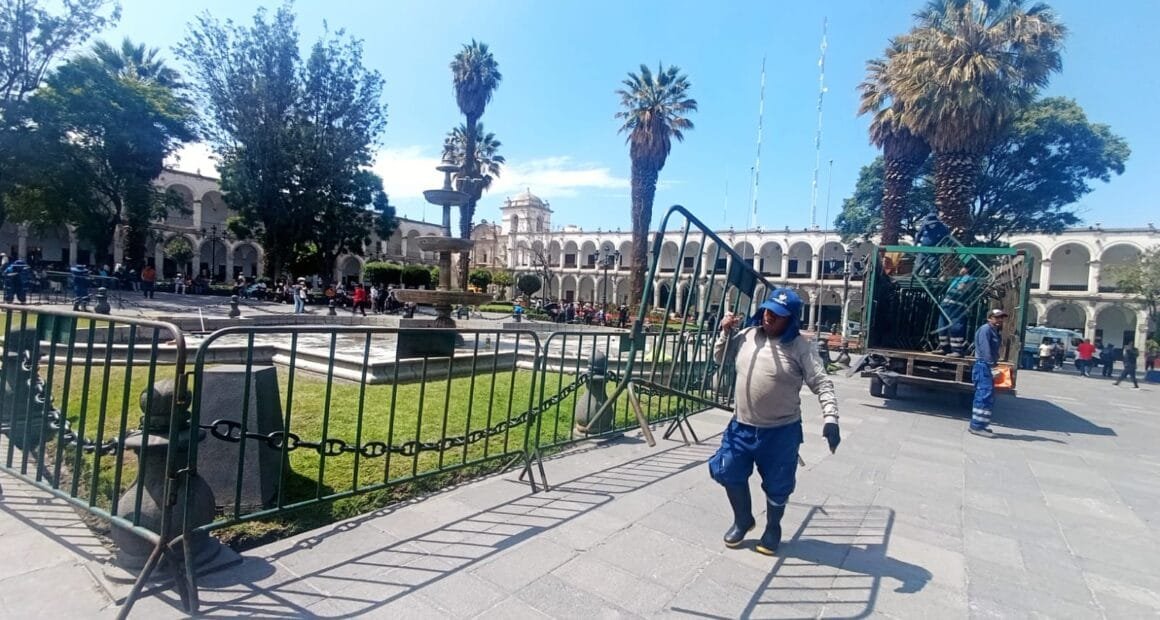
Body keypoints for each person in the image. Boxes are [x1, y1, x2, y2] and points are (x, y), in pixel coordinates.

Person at [710, 288, 840, 556]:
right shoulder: (747, 336)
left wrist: (831, 418)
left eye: (778, 314)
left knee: (778, 484)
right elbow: (719, 358)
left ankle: (773, 528)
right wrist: (724, 332)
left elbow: (822, 382)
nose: (769, 317)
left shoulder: (800, 347)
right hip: (742, 426)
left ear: (790, 319)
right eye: (768, 310)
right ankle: (743, 519)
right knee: (728, 469)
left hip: (780, 431)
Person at [970, 309, 1007, 438]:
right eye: (997, 318)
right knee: (983, 395)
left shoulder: (993, 330)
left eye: (1001, 318)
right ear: (989, 318)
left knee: (988, 396)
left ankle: (982, 425)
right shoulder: (986, 329)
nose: (1000, 320)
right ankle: (976, 426)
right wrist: (992, 367)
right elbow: (986, 350)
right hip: (983, 366)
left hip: (986, 365)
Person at [936, 267, 977, 357]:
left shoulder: (971, 279)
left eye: (963, 268)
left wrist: (964, 286)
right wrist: (944, 277)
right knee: (942, 327)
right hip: (946, 306)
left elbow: (966, 288)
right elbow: (943, 283)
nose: (961, 269)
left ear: (967, 270)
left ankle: (957, 350)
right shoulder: (956, 279)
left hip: (958, 307)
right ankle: (945, 348)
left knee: (956, 328)